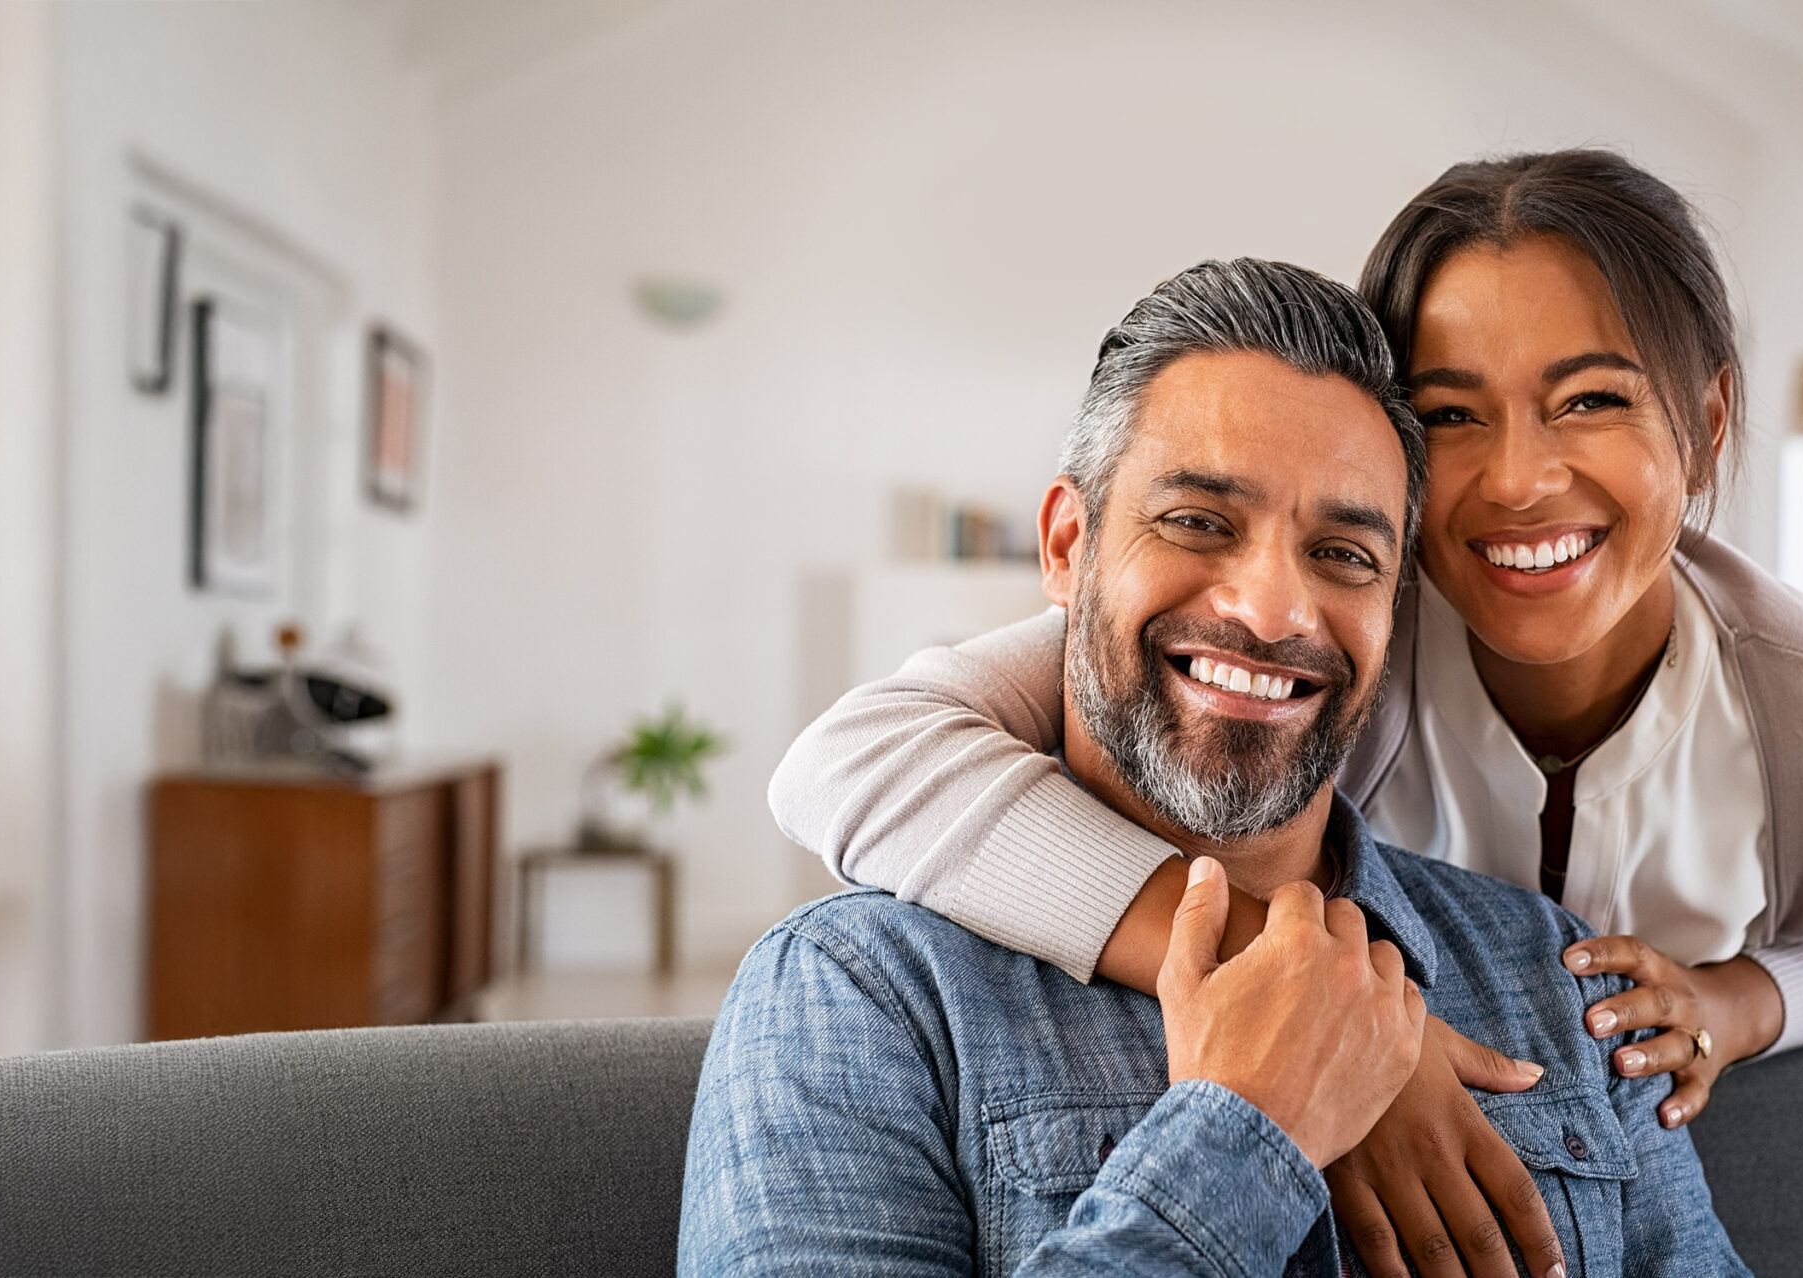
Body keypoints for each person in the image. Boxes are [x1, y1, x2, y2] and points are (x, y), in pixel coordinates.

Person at [769, 151, 1803, 1278]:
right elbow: (856, 758)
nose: (1515, 481)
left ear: (1705, 424)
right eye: (1451, 415)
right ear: (1069, 545)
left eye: (1591, 397)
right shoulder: (868, 996)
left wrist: (1730, 1003)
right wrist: (1302, 1039)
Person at [682, 258, 1747, 1277]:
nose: (1271, 611)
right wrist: (1244, 1136)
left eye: (1343, 555)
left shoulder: (1557, 980)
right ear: (1066, 547)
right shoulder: (859, 995)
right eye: (1196, 522)